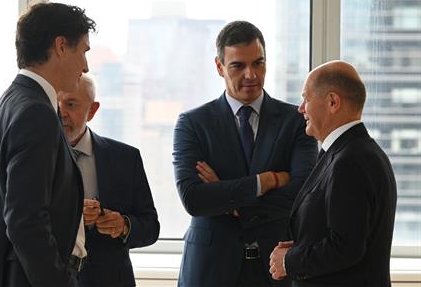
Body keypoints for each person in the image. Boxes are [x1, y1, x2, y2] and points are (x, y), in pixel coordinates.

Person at [172, 20, 318, 287]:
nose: (251, 74)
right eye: (238, 65)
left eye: (258, 63)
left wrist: (229, 201)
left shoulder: (296, 120)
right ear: (219, 67)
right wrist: (267, 181)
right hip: (210, 269)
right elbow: (194, 199)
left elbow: (302, 193)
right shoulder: (192, 124)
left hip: (277, 269)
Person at [0, 2, 96, 287]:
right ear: (61, 46)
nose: (85, 66)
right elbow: (25, 222)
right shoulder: (35, 112)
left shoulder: (11, 102)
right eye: (83, 51)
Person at [269, 60, 397, 286]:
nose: (301, 108)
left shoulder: (351, 161)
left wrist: (290, 261)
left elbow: (346, 247)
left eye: (306, 98)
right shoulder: (352, 152)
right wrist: (301, 245)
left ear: (332, 102)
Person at [58, 74, 160, 287]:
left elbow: (151, 227)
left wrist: (123, 225)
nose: (61, 113)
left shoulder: (125, 158)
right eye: (56, 103)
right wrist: (75, 218)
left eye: (70, 104)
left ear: (92, 110)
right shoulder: (36, 158)